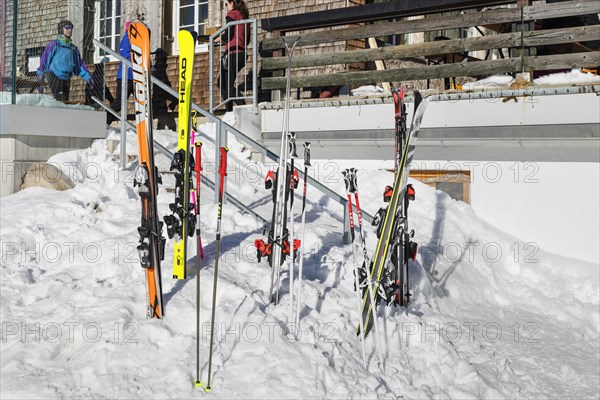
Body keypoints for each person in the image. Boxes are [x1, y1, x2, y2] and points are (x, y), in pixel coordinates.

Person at [37, 20, 93, 102]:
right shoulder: (54, 44)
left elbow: (79, 65)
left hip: (66, 77)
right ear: (61, 29)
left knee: (65, 101)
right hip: (54, 74)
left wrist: (87, 76)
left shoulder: (73, 48)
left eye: (71, 28)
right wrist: (40, 74)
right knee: (61, 99)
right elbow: (44, 59)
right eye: (67, 28)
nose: (70, 30)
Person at [215, 0, 250, 112]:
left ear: (232, 3)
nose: (226, 6)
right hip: (241, 54)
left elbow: (228, 34)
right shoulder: (244, 18)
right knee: (224, 82)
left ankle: (238, 107)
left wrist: (219, 38)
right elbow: (246, 39)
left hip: (233, 54)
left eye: (227, 4)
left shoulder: (232, 14)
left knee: (225, 84)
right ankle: (230, 109)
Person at [107, 20, 135, 124]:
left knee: (143, 103)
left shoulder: (138, 41)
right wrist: (138, 61)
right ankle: (104, 120)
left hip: (137, 77)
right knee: (119, 103)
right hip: (125, 77)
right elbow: (125, 56)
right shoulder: (126, 39)